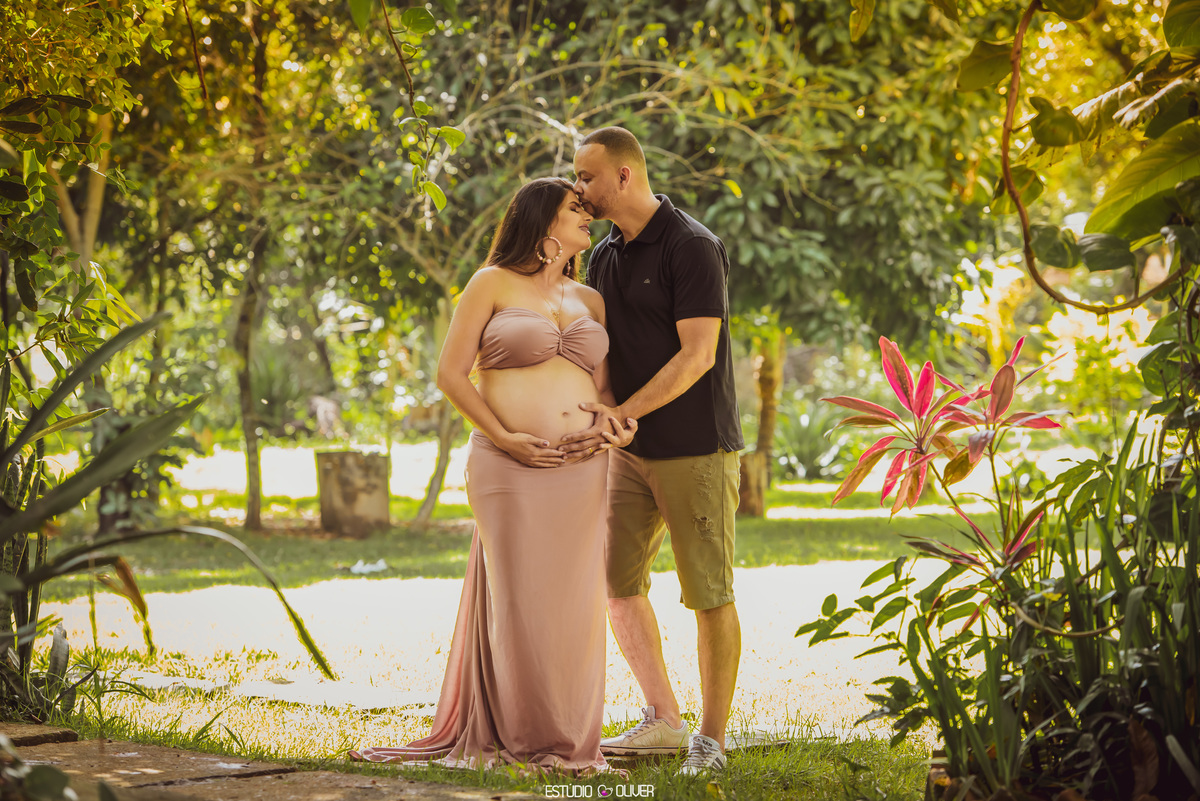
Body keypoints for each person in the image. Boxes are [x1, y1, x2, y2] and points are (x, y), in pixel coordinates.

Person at [349, 177, 632, 775]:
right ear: (543, 220)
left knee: (577, 606)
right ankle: (525, 738)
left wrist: (615, 425)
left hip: (583, 468)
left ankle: (572, 740)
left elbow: (604, 390)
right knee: (522, 601)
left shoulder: (591, 298)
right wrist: (503, 437)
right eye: (576, 208)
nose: (588, 216)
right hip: (508, 467)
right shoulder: (491, 283)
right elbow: (451, 374)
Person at [561, 127, 744, 776]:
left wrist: (624, 414)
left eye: (586, 176)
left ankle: (710, 741)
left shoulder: (691, 245)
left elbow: (698, 355)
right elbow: (604, 350)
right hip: (628, 453)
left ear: (624, 175)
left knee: (708, 593)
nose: (578, 188)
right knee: (617, 583)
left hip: (695, 449)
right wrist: (606, 414)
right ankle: (664, 718)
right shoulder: (605, 254)